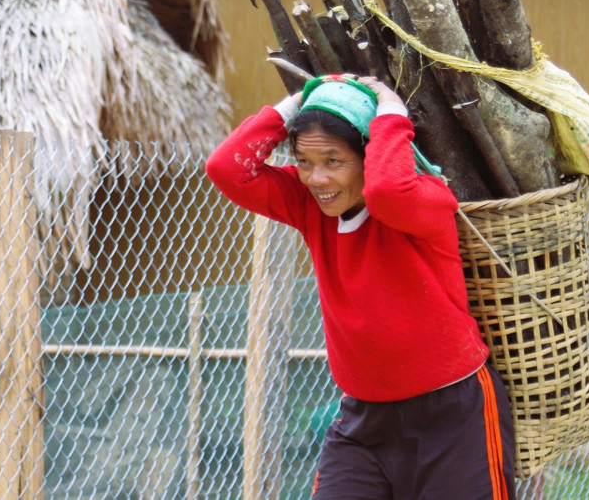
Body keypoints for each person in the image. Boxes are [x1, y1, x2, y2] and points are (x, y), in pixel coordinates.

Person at [205, 74, 515, 500]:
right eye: (305, 162)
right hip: (363, 422)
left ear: (370, 156)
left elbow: (387, 191)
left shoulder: (426, 199)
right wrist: (301, 100)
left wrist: (389, 108)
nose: (316, 179)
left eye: (334, 161)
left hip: (452, 417)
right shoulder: (309, 205)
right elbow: (226, 168)